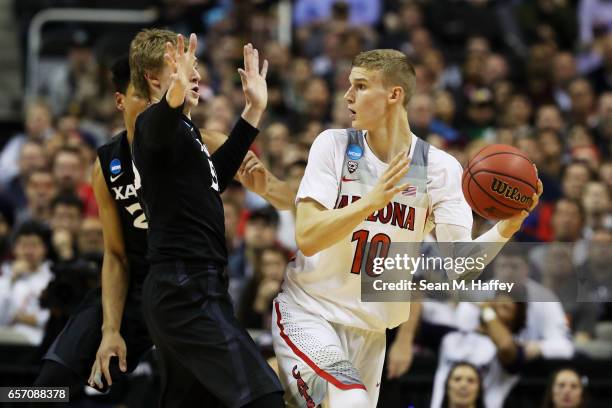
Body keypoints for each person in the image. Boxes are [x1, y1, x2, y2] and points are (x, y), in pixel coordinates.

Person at [271, 49, 542, 407]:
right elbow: (307, 237)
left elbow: (457, 268)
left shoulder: (441, 169)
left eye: (361, 86)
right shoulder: (333, 145)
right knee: (350, 401)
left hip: (372, 331)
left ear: (394, 95)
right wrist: (370, 202)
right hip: (310, 313)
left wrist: (506, 227)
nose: (348, 96)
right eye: (350, 86)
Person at [34, 55, 292, 397]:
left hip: (184, 286)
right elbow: (116, 255)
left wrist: (290, 195)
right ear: (120, 100)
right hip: (133, 290)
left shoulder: (203, 143)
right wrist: (111, 329)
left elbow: (281, 193)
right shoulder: (108, 162)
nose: (153, 105)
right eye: (144, 95)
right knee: (47, 387)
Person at [130, 30, 284, 407]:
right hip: (185, 286)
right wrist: (175, 92)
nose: (195, 74)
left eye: (195, 67)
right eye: (183, 67)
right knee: (264, 393)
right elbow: (157, 124)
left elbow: (214, 178)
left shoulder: (186, 134)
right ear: (154, 79)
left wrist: (252, 112)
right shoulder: (152, 125)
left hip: (190, 286)